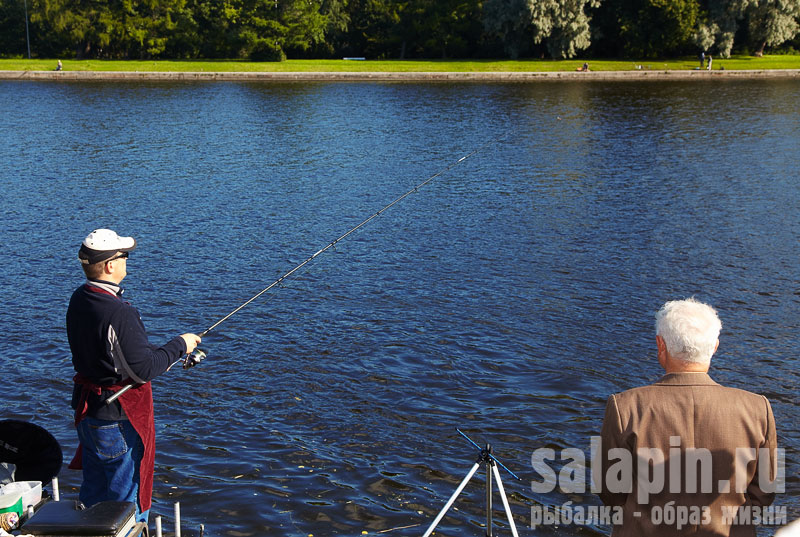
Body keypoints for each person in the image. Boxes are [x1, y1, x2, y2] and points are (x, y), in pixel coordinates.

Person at [598, 298, 778, 536]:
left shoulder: (625, 407)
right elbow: (763, 493)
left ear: (660, 345)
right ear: (715, 347)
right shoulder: (757, 409)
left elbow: (611, 491)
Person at [66, 229, 201, 523]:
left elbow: (118, 352)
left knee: (94, 495)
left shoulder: (81, 297)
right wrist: (181, 344)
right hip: (116, 421)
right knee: (125, 505)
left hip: (89, 414)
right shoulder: (120, 313)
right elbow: (143, 370)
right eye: (124, 256)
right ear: (110, 265)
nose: (128, 261)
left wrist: (160, 350)